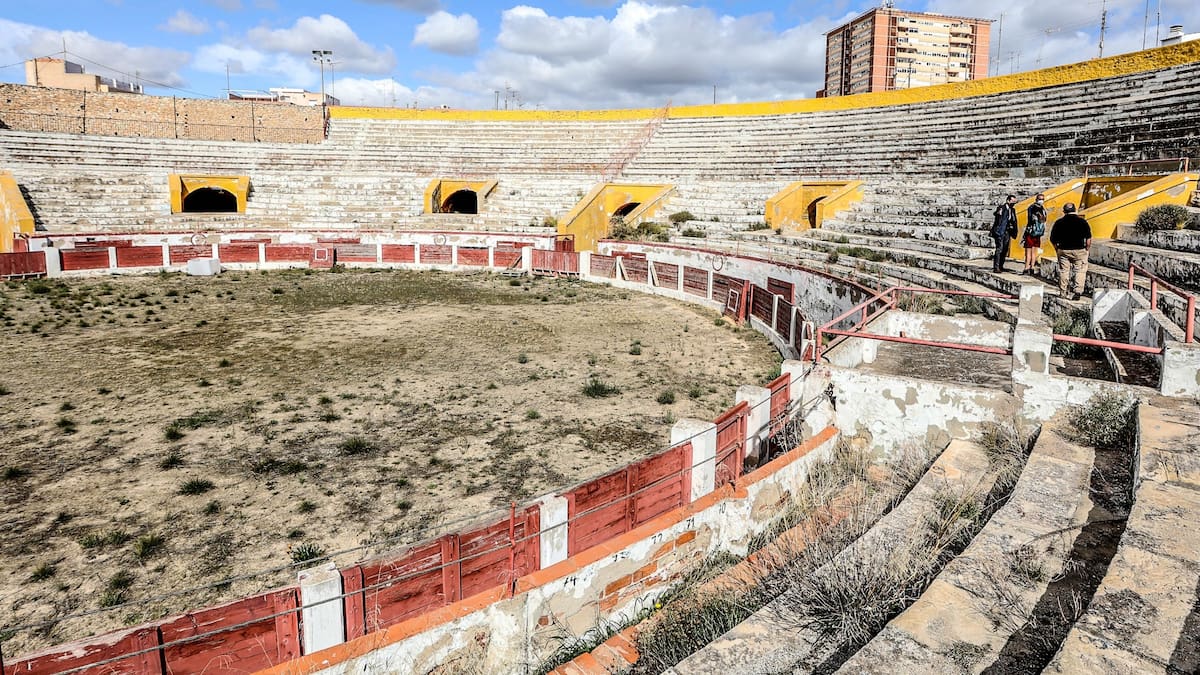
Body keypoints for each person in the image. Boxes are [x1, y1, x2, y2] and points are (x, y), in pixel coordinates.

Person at [1049, 203, 1092, 301]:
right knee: (1080, 270)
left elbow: (1053, 239)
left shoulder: (1059, 222)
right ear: (1075, 210)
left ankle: (1063, 292)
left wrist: (1057, 249)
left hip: (1063, 250)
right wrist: (1087, 249)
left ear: (1064, 211)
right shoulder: (1082, 222)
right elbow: (1089, 238)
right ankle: (1078, 291)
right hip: (1079, 250)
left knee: (1064, 271)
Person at [991, 195, 1018, 273]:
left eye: (1014, 202)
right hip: (1000, 231)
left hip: (1007, 232)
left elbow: (1013, 221)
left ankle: (1001, 266)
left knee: (1005, 249)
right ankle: (996, 267)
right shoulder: (1001, 208)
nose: (1013, 203)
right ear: (1008, 200)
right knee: (999, 248)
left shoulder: (1012, 210)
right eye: (1012, 201)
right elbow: (996, 215)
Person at [1023, 194, 1047, 276]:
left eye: (1042, 199)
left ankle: (1026, 267)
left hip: (1031, 232)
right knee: (1034, 251)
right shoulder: (1043, 209)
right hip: (1038, 233)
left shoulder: (1031, 207)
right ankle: (1032, 267)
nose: (1041, 200)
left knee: (1028, 251)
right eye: (1041, 199)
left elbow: (1030, 219)